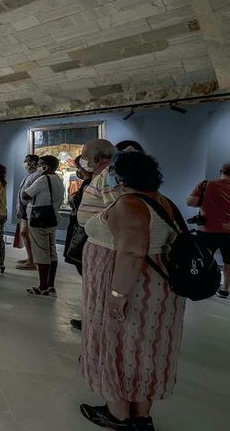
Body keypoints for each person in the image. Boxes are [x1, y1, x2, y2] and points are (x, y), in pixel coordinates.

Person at [80, 152, 184, 431]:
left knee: (116, 343)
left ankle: (118, 415)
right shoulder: (163, 201)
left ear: (122, 176)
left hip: (130, 286)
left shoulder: (130, 204)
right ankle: (141, 415)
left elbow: (133, 251)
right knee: (145, 347)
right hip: (156, 291)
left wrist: (117, 296)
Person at [22, 155, 65, 297]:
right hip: (52, 219)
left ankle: (42, 286)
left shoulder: (42, 180)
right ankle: (50, 286)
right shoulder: (58, 179)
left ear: (46, 166)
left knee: (41, 253)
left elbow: (26, 195)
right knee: (52, 252)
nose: (38, 167)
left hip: (38, 220)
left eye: (40, 165)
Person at [187, 161, 230, 298]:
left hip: (207, 230)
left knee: (202, 258)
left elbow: (190, 202)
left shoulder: (206, 185)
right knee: (229, 261)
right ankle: (225, 289)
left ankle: (201, 283)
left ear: (221, 172)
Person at [64, 155, 93, 329]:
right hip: (82, 232)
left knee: (91, 278)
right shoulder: (89, 184)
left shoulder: (92, 185)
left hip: (86, 235)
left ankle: (92, 317)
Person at [77, 139, 118, 228]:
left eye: (84, 157)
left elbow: (115, 208)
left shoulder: (108, 176)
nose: (82, 160)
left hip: (103, 234)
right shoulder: (101, 175)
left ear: (96, 159)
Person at [16, 155, 41, 270]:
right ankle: (30, 258)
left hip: (30, 209)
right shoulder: (29, 175)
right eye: (25, 161)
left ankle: (33, 260)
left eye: (28, 161)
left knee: (27, 233)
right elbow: (21, 192)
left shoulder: (37, 175)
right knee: (24, 233)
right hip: (24, 208)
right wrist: (18, 207)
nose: (25, 163)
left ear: (34, 162)